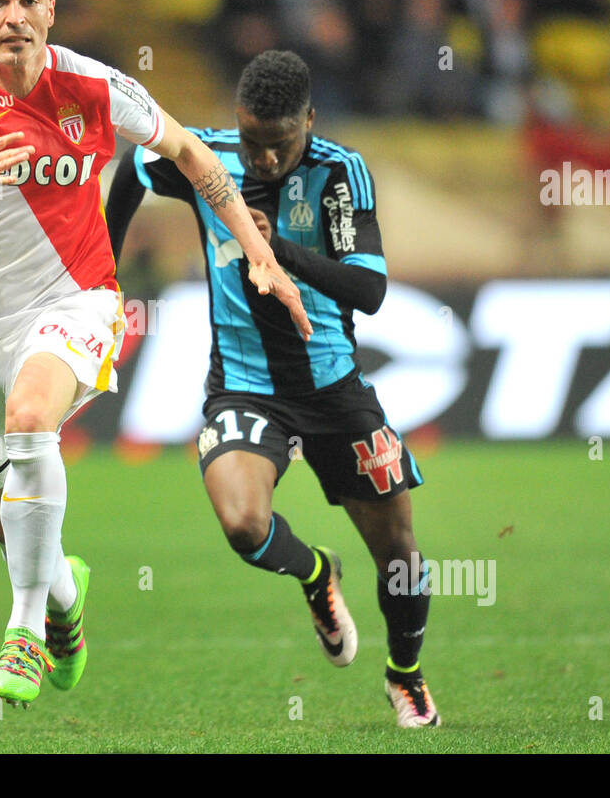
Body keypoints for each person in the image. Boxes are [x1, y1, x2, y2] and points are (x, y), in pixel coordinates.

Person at [0, 0, 310, 708]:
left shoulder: (95, 85)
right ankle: (62, 601)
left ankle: (24, 631)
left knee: (32, 416)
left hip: (75, 300)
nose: (13, 17)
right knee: (12, 524)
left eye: (27, 1)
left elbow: (190, 152)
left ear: (50, 10)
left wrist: (259, 253)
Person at [104, 50, 439, 727]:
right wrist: (101, 271)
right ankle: (316, 572)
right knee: (242, 524)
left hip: (334, 387)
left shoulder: (339, 173)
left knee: (400, 555)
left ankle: (405, 674)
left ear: (308, 122)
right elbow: (132, 165)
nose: (261, 158)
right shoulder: (206, 158)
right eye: (251, 139)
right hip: (245, 386)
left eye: (278, 144)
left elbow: (369, 289)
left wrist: (275, 248)